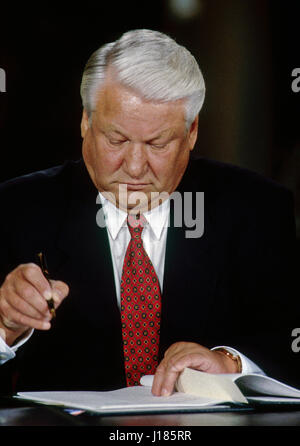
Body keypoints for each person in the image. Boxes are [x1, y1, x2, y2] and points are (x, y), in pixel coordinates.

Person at [0, 29, 298, 395]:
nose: (136, 167)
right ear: (85, 123)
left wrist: (231, 363)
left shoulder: (256, 210)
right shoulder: (15, 210)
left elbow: (289, 341)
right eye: (117, 140)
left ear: (191, 132)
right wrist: (4, 326)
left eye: (158, 143)